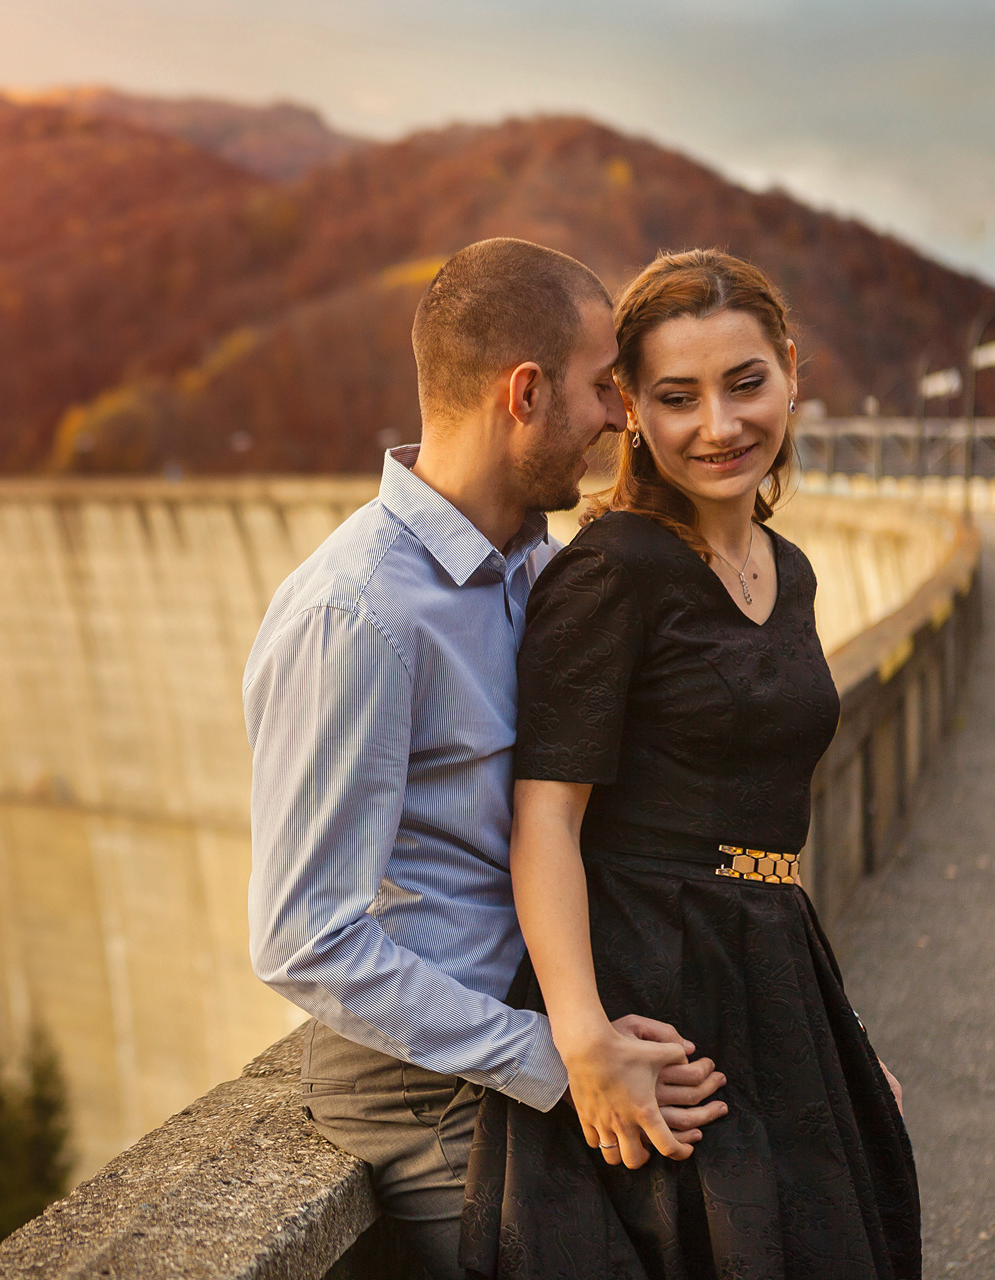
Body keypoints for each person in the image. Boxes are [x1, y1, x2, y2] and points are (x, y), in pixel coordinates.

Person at [243, 237, 729, 1280]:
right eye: (602, 387)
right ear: (524, 392)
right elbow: (303, 934)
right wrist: (551, 1056)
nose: (618, 415)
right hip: (428, 1084)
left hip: (552, 1024)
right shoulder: (360, 614)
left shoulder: (539, 575)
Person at [459, 249, 920, 1279]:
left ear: (792, 372)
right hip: (652, 990)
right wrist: (582, 1044)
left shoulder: (786, 570)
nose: (718, 425)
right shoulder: (611, 572)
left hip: (772, 963)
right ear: (629, 407)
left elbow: (765, 826)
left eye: (746, 382)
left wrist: (837, 1040)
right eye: (678, 397)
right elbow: (545, 821)